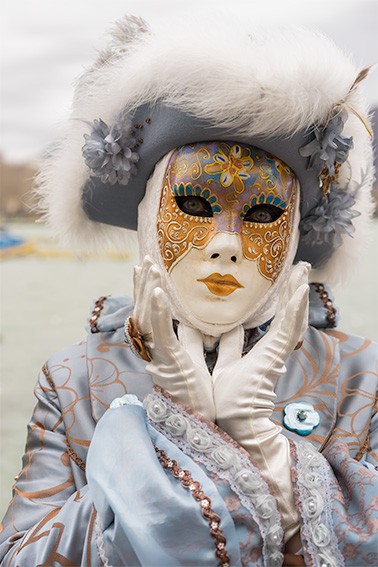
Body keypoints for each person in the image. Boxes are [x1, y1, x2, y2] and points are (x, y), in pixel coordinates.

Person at [1, 12, 377, 567]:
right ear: (151, 215)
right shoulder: (75, 376)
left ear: (296, 230)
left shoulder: (359, 377)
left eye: (264, 213)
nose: (226, 245)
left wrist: (268, 447)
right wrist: (168, 437)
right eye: (195, 205)